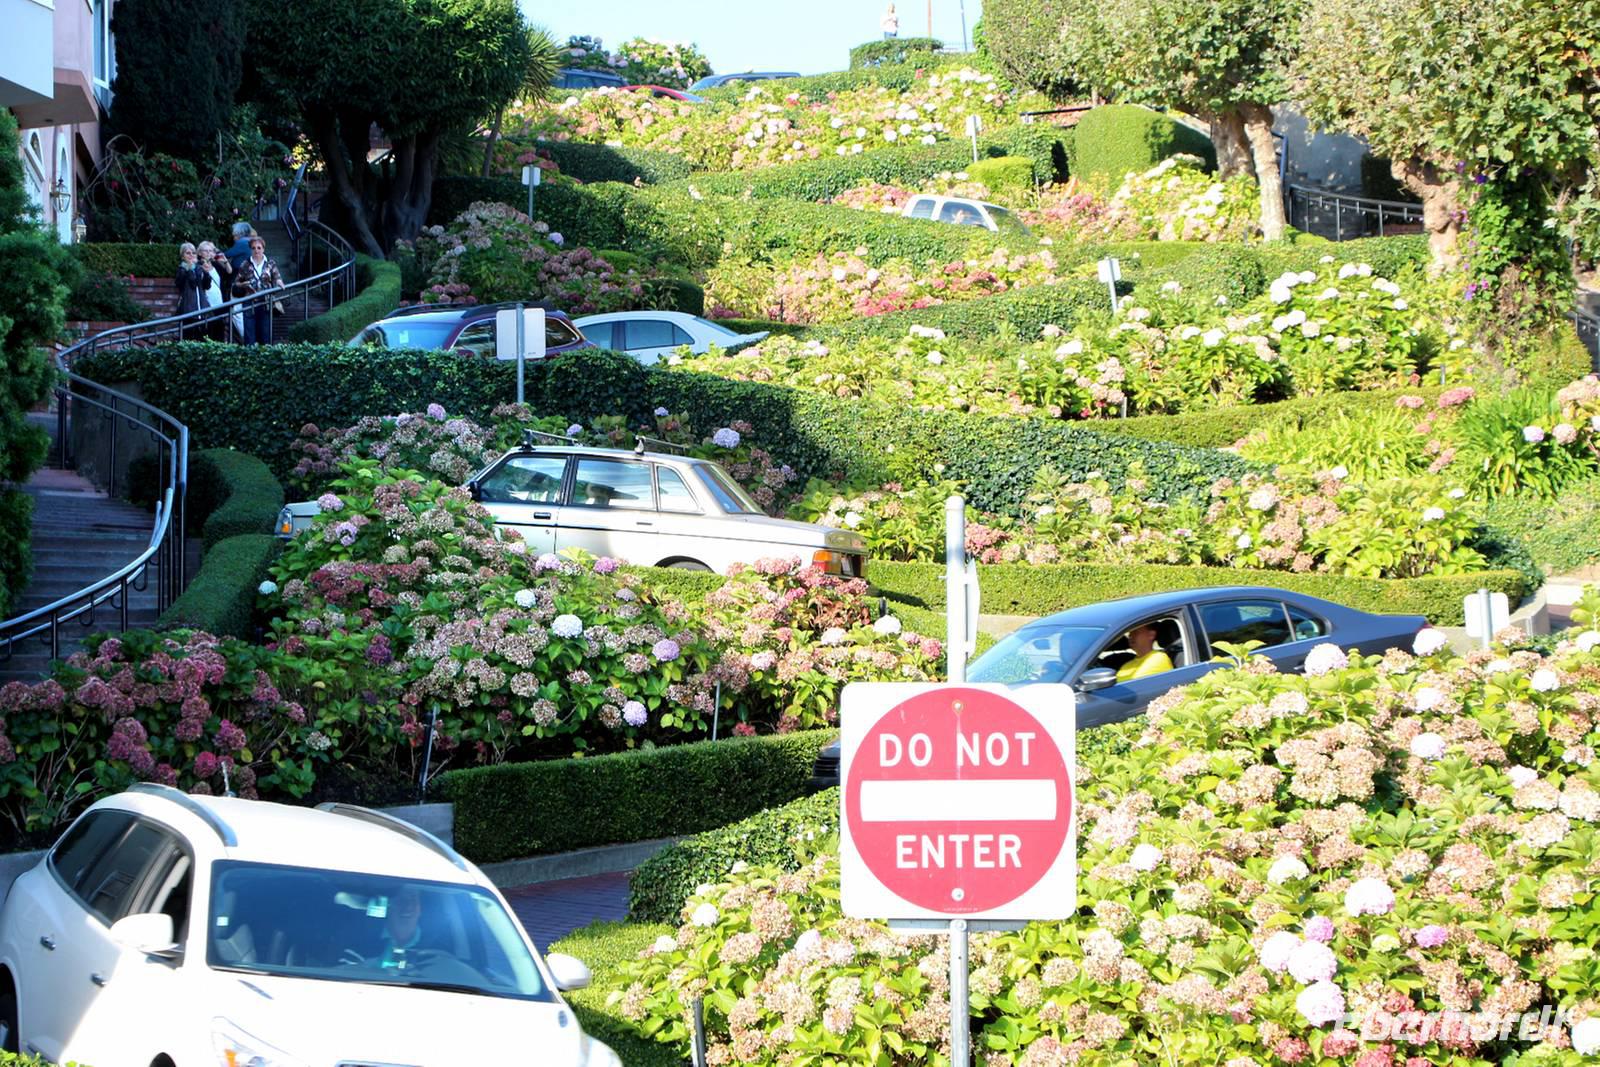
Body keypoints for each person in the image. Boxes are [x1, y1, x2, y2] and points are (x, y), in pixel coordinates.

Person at [232, 235, 284, 344]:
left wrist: (280, 283)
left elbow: (277, 277)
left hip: (265, 301)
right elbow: (237, 282)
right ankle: (250, 357)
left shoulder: (270, 263)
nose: (256, 250)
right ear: (250, 249)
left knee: (265, 333)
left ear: (263, 249)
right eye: (254, 248)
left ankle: (265, 357)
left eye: (259, 247)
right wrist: (243, 285)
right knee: (249, 333)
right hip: (249, 300)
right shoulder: (245, 264)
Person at [195, 240, 236, 341]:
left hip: (219, 302)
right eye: (206, 251)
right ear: (200, 253)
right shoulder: (198, 266)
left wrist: (225, 260)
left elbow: (229, 273)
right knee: (207, 332)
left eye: (211, 251)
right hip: (206, 303)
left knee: (219, 332)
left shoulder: (216, 265)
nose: (209, 253)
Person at [174, 242, 211, 340]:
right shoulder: (181, 270)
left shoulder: (199, 268)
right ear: (182, 256)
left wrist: (206, 273)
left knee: (203, 339)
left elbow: (207, 286)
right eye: (188, 253)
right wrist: (190, 269)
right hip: (188, 309)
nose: (191, 256)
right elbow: (193, 283)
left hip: (202, 309)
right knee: (188, 338)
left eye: (193, 253)